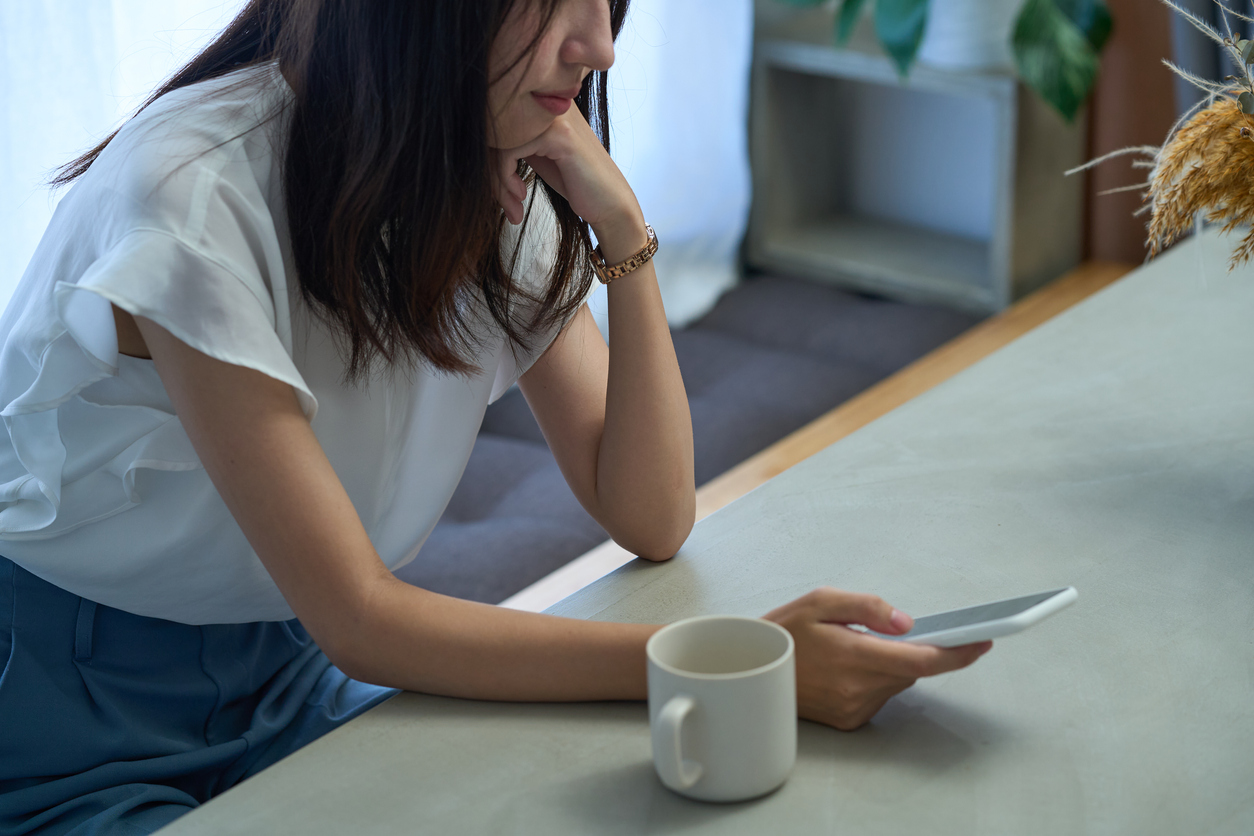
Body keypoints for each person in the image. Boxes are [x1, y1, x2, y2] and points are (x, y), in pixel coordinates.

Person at [0, 1, 991, 833]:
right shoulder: (192, 194)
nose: (600, 44)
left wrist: (626, 231)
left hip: (279, 666)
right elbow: (360, 617)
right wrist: (730, 665)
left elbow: (649, 511)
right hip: (65, 711)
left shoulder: (469, 171)